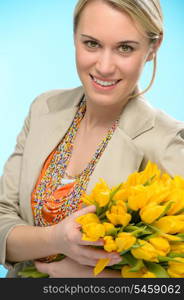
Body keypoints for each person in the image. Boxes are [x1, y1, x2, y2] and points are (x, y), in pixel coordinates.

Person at [0, 0, 184, 278]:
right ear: (74, 38)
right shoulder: (44, 108)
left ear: (152, 48)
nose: (105, 66)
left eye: (125, 48)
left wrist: (94, 280)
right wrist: (55, 240)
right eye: (92, 44)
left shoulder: (168, 143)